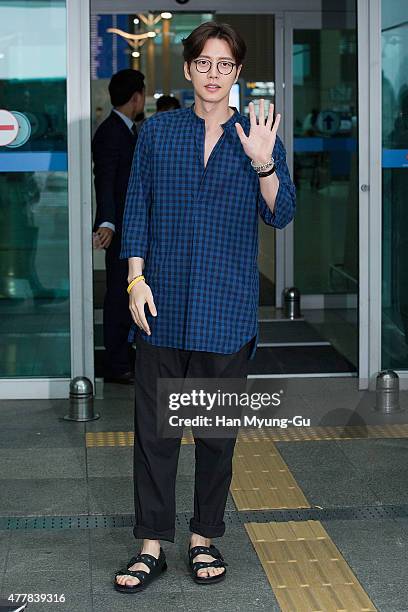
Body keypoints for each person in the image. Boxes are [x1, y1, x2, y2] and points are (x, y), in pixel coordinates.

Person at [114, 22, 296, 593]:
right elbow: (137, 207)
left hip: (226, 308)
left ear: (237, 74)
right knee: (155, 432)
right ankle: (151, 545)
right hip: (162, 305)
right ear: (189, 69)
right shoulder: (159, 133)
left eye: (226, 65)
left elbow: (281, 212)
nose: (214, 73)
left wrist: (264, 163)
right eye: (204, 63)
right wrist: (135, 281)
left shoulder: (258, 134)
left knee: (215, 434)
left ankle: (204, 537)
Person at [92, 69, 145, 384]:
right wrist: (107, 222)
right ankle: (116, 363)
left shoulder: (126, 129)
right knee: (118, 296)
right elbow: (106, 181)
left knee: (127, 292)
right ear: (136, 97)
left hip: (131, 226)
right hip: (122, 229)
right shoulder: (112, 132)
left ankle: (124, 356)